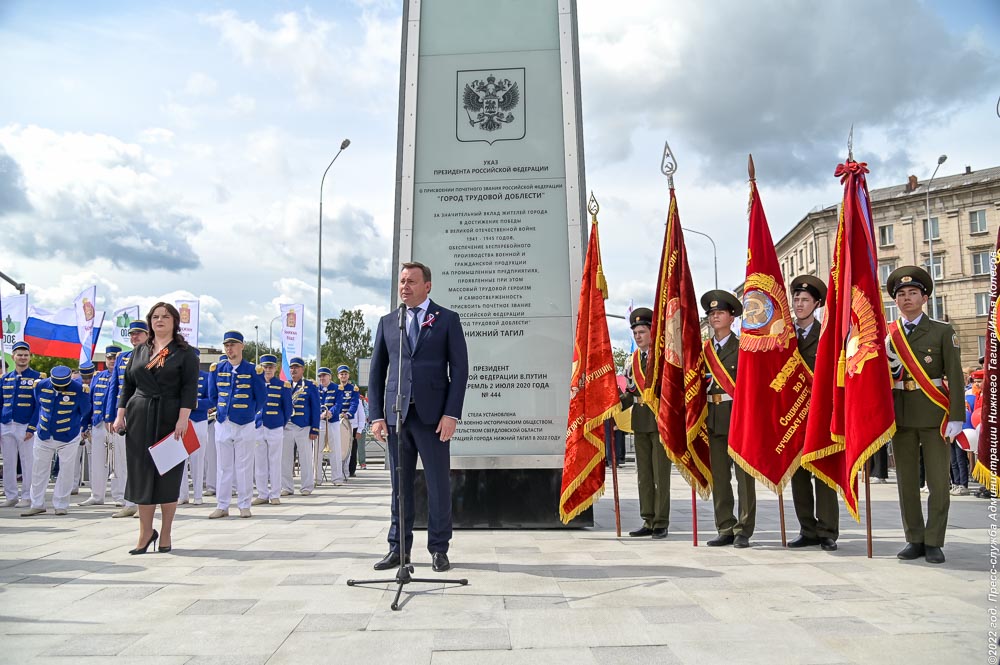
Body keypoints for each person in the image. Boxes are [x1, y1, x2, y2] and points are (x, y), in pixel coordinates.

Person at [369, 261, 469, 572]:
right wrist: (376, 416)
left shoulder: (447, 319)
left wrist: (451, 413)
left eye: (411, 281)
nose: (404, 287)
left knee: (438, 485)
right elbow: (376, 374)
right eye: (401, 281)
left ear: (427, 286)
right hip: (398, 417)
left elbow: (460, 370)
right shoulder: (388, 323)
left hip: (433, 417)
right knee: (400, 487)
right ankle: (399, 549)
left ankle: (439, 549)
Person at [884, 266, 965, 565]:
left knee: (938, 483)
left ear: (924, 297)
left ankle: (934, 540)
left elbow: (955, 376)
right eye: (901, 295)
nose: (906, 299)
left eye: (912, 293)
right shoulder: (888, 334)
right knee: (906, 482)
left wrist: (956, 416)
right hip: (900, 415)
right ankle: (914, 538)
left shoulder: (942, 331)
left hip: (934, 414)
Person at [111, 303, 199, 553]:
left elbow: (189, 388)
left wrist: (183, 418)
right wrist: (120, 414)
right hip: (139, 415)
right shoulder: (139, 351)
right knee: (140, 474)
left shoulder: (185, 353)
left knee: (167, 475)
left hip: (170, 417)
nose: (159, 320)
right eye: (155, 317)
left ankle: (166, 532)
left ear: (174, 321)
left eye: (165, 317)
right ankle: (145, 532)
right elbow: (127, 385)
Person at [787, 275, 839, 552]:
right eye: (796, 299)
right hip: (792, 417)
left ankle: (828, 530)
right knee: (799, 476)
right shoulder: (784, 337)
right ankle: (807, 528)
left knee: (823, 472)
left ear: (817, 303)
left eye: (805, 300)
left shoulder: (827, 335)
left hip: (821, 415)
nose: (799, 304)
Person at [701, 290, 756, 549]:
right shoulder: (703, 352)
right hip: (713, 418)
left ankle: (744, 528)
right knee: (720, 477)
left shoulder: (743, 348)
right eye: (711, 314)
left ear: (732, 317)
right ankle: (725, 525)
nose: (715, 317)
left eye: (720, 313)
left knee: (744, 478)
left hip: (738, 418)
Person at [619, 306, 671, 539]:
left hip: (659, 420)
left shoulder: (664, 359)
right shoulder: (632, 361)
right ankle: (647, 518)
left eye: (642, 332)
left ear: (652, 332)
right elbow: (630, 393)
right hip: (640, 421)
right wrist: (610, 408)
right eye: (635, 333)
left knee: (660, 474)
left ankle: (661, 521)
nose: (638, 336)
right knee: (644, 475)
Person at [208, 331, 266, 519]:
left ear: (242, 346)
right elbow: (213, 395)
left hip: (245, 423)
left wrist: (248, 413)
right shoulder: (217, 368)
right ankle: (222, 505)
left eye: (233, 345)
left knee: (244, 466)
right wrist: (222, 412)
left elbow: (261, 398)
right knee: (223, 467)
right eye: (226, 345)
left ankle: (244, 505)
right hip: (223, 422)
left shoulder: (253, 370)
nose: (229, 348)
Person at [20, 365, 91, 516]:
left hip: (68, 435)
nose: (59, 388)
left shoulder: (80, 389)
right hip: (44, 433)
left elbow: (85, 411)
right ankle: (37, 503)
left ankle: (61, 504)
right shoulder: (40, 385)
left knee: (66, 470)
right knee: (39, 470)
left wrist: (81, 427)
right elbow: (38, 406)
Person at [106, 321, 149, 518]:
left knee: (143, 460)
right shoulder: (122, 357)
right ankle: (129, 502)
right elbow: (114, 388)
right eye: (132, 334)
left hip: (145, 412)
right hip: (124, 415)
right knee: (123, 462)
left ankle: (144, 503)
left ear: (148, 335)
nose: (135, 337)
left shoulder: (155, 354)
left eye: (139, 334)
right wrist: (112, 415)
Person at [1, 341, 43, 508]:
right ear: (13, 357)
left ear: (30, 357)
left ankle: (27, 496)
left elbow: (39, 405)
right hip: (6, 424)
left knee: (28, 463)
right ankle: (11, 495)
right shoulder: (5, 378)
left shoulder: (37, 378)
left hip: (25, 426)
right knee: (9, 463)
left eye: (26, 355)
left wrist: (32, 427)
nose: (23, 358)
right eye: (19, 355)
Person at [79, 346, 120, 506]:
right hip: (97, 423)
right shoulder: (98, 377)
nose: (111, 361)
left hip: (116, 424)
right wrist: (85, 425)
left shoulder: (125, 377)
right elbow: (89, 402)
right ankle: (96, 495)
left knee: (117, 462)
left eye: (115, 359)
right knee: (97, 461)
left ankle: (119, 496)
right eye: (109, 358)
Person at [252, 354, 291, 505]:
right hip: (258, 426)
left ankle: (275, 494)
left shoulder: (283, 385)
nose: (267, 370)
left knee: (275, 462)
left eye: (270, 367)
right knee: (260, 462)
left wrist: (281, 423)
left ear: (275, 368)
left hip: (275, 426)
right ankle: (262, 494)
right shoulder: (256, 383)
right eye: (265, 367)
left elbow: (288, 409)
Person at [281, 357, 320, 496]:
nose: (293, 370)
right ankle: (287, 487)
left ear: (302, 369)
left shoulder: (310, 386)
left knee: (305, 458)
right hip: (287, 426)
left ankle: (306, 487)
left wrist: (315, 428)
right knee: (285, 458)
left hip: (303, 426)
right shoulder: (285, 385)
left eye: (297, 367)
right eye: (291, 367)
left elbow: (316, 408)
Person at [178, 348, 210, 506]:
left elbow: (212, 400)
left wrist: (194, 404)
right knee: (180, 460)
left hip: (198, 422)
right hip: (181, 423)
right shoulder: (178, 378)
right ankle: (182, 495)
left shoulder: (206, 378)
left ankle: (198, 495)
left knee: (197, 460)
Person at [69, 361, 97, 495]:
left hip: (92, 424)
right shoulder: (75, 385)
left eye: (89, 377)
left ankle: (94, 486)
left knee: (94, 458)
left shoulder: (98, 382)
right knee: (73, 457)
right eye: (84, 377)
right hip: (76, 425)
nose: (87, 380)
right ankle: (73, 485)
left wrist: (88, 427)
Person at [316, 367, 342, 486]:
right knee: (317, 451)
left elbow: (338, 403)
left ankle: (337, 478)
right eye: (320, 376)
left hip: (332, 422)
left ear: (330, 377)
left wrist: (330, 412)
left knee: (335, 450)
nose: (322, 378)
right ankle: (317, 478)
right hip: (319, 421)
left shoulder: (337, 388)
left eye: (324, 376)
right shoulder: (316, 389)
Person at [334, 364, 360, 481]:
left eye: (345, 374)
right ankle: (338, 472)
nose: (343, 376)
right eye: (341, 374)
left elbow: (354, 404)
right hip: (336, 420)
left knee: (347, 448)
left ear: (348, 375)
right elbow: (335, 403)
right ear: (338, 376)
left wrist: (348, 414)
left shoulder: (353, 389)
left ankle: (346, 472)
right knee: (336, 447)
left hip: (349, 421)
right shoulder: (335, 388)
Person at [350, 392, 368, 475]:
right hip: (345, 426)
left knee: (357, 448)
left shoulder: (360, 401)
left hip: (358, 427)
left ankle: (356, 466)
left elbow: (363, 414)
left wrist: (360, 428)